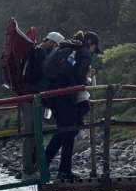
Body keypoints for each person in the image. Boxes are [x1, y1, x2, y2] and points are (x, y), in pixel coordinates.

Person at [44, 31, 101, 180]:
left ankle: (45, 164)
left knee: (65, 130)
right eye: (95, 47)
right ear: (90, 43)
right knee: (69, 130)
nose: (94, 51)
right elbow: (79, 78)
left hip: (53, 94)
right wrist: (87, 81)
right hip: (64, 96)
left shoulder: (67, 49)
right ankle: (62, 170)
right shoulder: (84, 53)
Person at [18, 31, 64, 179]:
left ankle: (31, 168)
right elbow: (39, 76)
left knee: (34, 133)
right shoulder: (40, 53)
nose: (56, 49)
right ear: (51, 42)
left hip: (30, 97)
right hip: (32, 97)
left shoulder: (36, 51)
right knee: (31, 133)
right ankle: (28, 170)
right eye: (56, 46)